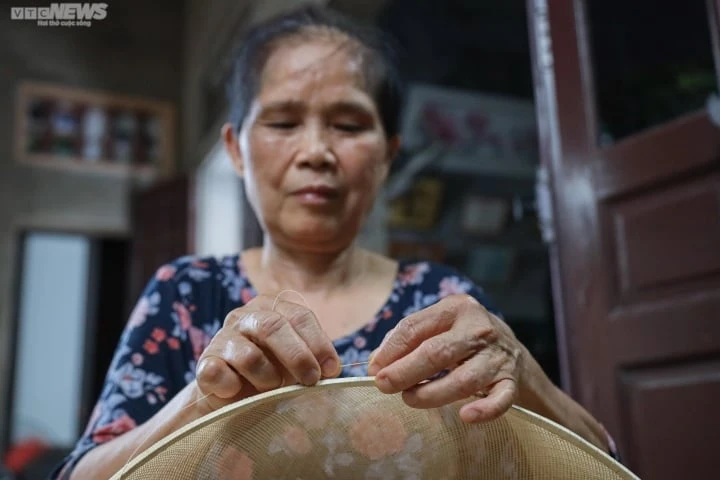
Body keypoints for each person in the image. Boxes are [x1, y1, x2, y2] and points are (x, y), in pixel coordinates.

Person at [52, 6, 618, 479]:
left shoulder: (442, 299)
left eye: (348, 125)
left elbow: (602, 465)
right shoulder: (186, 292)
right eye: (283, 123)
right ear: (236, 149)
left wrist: (524, 374)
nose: (317, 152)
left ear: (387, 154)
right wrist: (202, 401)